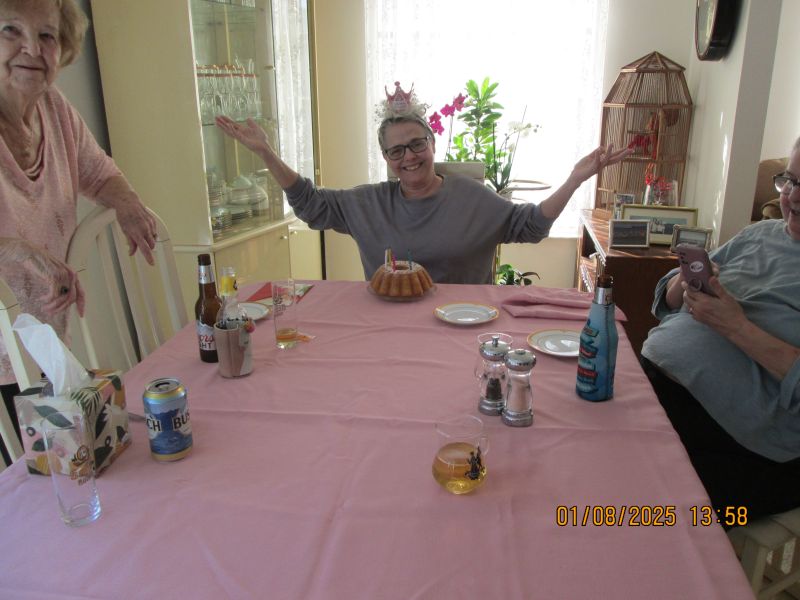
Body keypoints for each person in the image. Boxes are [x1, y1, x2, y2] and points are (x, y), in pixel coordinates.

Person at [216, 82, 630, 283]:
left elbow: (531, 226)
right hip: (390, 330)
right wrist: (266, 153)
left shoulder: (472, 197)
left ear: (432, 143)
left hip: (465, 326)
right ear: (386, 159)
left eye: (416, 144)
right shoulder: (369, 203)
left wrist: (575, 178)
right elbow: (311, 206)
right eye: (396, 151)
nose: (409, 157)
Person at [0, 0, 157, 462]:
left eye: (47, 36)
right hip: (5, 351)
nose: (32, 49)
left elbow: (99, 173)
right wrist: (20, 253)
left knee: (70, 468)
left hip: (46, 344)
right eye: (10, 30)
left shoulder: (53, 108)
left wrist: (128, 203)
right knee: (29, 486)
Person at [640, 136, 800, 524]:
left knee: (630, 509)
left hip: (734, 442)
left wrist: (737, 327)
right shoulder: (760, 234)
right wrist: (684, 280)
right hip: (655, 382)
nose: (793, 196)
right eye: (790, 181)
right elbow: (667, 301)